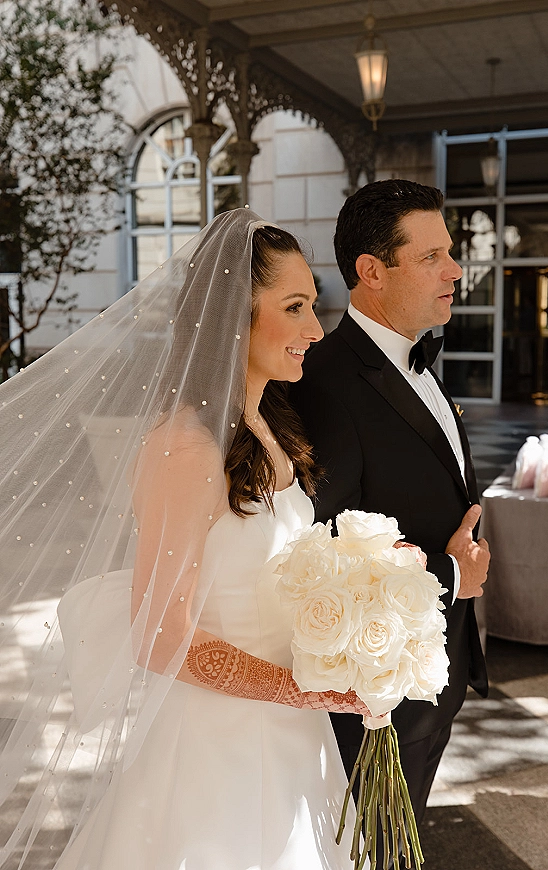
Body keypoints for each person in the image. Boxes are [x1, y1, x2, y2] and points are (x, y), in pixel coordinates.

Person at [0, 209, 374, 870]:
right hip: (218, 747)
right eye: (295, 308)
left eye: (312, 307)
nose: (316, 330)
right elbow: (160, 635)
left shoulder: (268, 427)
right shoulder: (184, 449)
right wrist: (300, 688)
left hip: (295, 730)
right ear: (234, 316)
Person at [290, 179, 490, 860]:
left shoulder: (420, 360)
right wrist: (453, 575)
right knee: (369, 853)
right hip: (377, 698)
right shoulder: (322, 381)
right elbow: (320, 549)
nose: (455, 271)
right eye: (432, 256)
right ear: (372, 271)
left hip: (434, 671)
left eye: (450, 253)